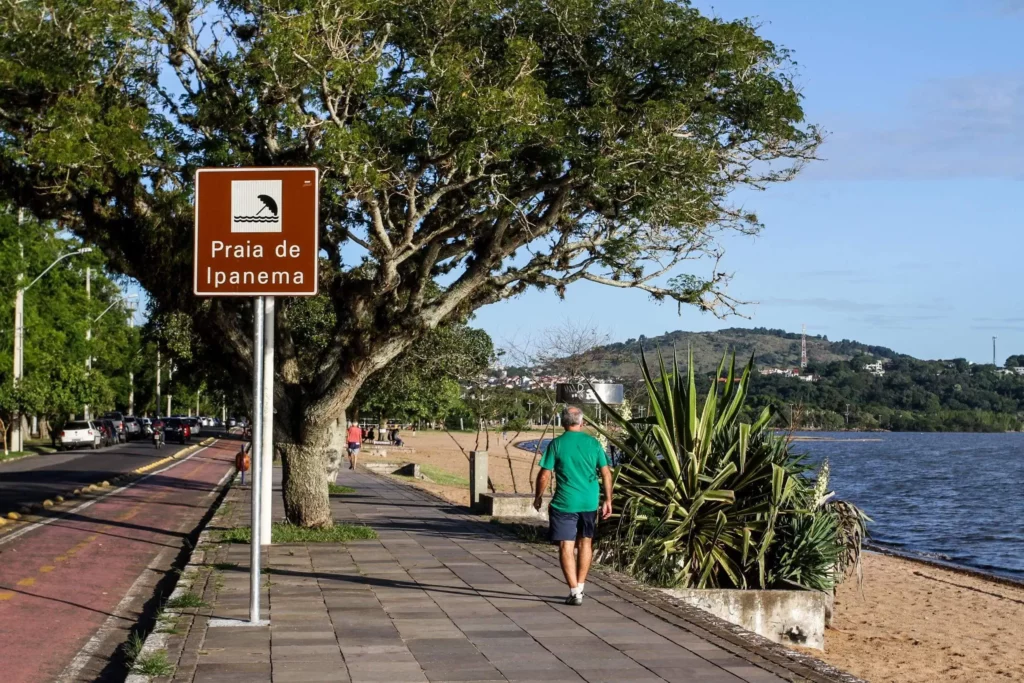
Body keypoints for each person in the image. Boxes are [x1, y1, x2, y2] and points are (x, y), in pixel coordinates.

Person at [533, 405, 612, 606]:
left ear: (562, 422)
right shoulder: (594, 444)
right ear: (581, 422)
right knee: (586, 542)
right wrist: (608, 500)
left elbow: (544, 474)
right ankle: (582, 586)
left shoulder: (556, 444)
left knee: (565, 546)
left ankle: (575, 592)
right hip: (589, 502)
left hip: (564, 503)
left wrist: (538, 497)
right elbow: (606, 473)